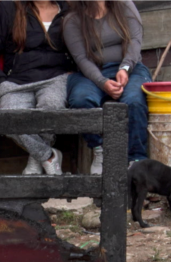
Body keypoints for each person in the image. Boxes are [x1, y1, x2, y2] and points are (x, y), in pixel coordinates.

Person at [0, 0, 73, 175]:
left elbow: (83, 48)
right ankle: (48, 156)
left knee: (51, 107)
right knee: (9, 116)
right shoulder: (8, 8)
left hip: (56, 77)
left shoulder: (69, 10)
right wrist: (0, 81)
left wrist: (74, 71)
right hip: (16, 80)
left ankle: (35, 162)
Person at [63, 0, 149, 174]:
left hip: (129, 68)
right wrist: (102, 82)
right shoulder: (72, 19)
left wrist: (125, 68)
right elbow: (81, 58)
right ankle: (99, 149)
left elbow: (135, 40)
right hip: (92, 73)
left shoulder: (123, 5)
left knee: (134, 101)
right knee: (81, 100)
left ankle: (137, 160)